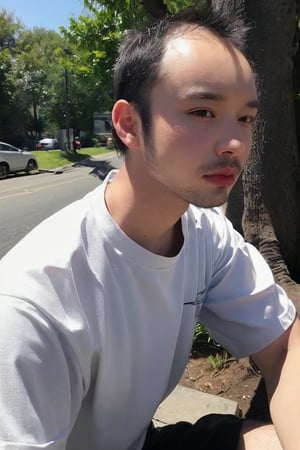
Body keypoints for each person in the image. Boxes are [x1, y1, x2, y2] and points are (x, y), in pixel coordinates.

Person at [0, 4, 299, 450]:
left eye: (245, 118)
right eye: (202, 111)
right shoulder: (35, 303)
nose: (235, 142)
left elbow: (285, 344)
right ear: (128, 125)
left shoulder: (205, 237)